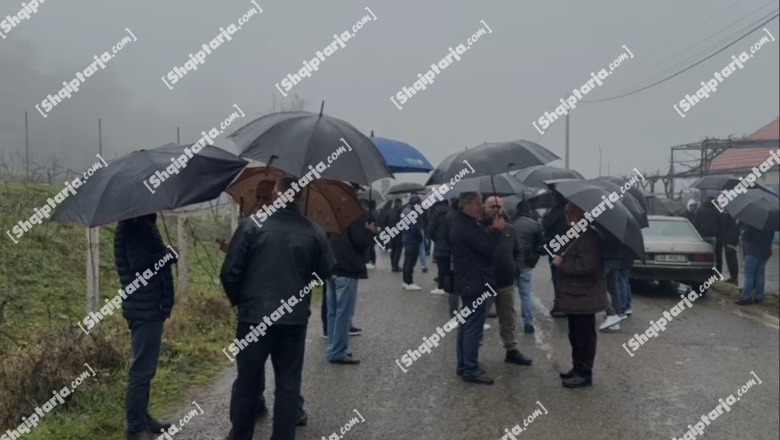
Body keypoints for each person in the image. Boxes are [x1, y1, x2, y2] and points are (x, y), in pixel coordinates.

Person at [221, 177, 334, 440]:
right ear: (300, 198)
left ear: (275, 194)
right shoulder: (315, 231)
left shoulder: (251, 226)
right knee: (288, 385)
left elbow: (230, 272)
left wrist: (242, 301)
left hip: (254, 319)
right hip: (293, 321)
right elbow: (326, 270)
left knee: (247, 384)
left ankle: (240, 436)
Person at [115, 213, 177, 440]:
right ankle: (135, 427)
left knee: (146, 368)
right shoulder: (134, 225)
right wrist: (167, 256)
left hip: (149, 305)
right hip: (144, 307)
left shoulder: (142, 223)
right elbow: (141, 264)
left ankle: (144, 418)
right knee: (141, 370)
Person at [451, 192, 504, 385]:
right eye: (477, 204)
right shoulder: (465, 225)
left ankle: (464, 364)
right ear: (465, 205)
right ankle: (470, 369)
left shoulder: (466, 223)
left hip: (469, 280)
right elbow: (486, 249)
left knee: (467, 325)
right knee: (473, 326)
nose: (480, 207)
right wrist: (497, 231)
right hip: (474, 281)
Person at [552, 202, 607, 388]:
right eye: (566, 212)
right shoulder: (575, 235)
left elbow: (587, 266)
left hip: (585, 296)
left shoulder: (590, 238)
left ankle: (585, 373)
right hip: (575, 296)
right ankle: (577, 367)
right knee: (574, 335)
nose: (568, 216)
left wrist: (562, 264)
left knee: (584, 337)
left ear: (583, 214)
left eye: (572, 212)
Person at [483, 196, 533, 366]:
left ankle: (511, 350)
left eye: (499, 206)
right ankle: (471, 354)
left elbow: (519, 251)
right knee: (477, 320)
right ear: (485, 208)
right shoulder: (481, 229)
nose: (496, 209)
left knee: (508, 319)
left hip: (506, 283)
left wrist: (516, 268)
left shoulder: (510, 229)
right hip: (485, 284)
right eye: (492, 206)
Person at [326, 212, 375, 364]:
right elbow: (360, 241)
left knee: (333, 312)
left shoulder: (331, 214)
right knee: (344, 313)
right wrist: (370, 230)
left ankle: (332, 347)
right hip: (347, 268)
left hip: (331, 267)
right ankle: (337, 351)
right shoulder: (354, 215)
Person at [510, 199, 545, 334]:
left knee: (509, 295)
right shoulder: (535, 225)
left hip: (511, 262)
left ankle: (510, 323)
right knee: (526, 294)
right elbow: (539, 246)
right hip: (526, 263)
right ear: (529, 211)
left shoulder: (509, 223)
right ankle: (528, 322)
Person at [541, 191, 568, 317]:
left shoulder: (557, 211)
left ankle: (560, 306)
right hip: (568, 246)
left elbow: (547, 225)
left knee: (557, 277)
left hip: (556, 247)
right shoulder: (570, 208)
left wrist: (546, 217)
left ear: (556, 197)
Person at [735, 224, 773, 305]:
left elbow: (745, 237)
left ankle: (746, 297)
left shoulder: (751, 224)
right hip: (765, 252)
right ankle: (759, 296)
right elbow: (771, 238)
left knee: (749, 274)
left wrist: (743, 229)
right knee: (760, 275)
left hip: (752, 252)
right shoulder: (769, 225)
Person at [693, 197, 723, 272]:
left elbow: (695, 223)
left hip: (701, 236)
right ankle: (714, 272)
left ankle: (702, 271)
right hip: (713, 236)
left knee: (702, 255)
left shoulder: (700, 210)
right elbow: (721, 224)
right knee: (713, 256)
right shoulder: (717, 210)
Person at [428, 200, 451, 295]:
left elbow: (431, 229)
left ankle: (441, 287)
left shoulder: (436, 213)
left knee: (441, 267)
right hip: (450, 244)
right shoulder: (451, 213)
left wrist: (435, 239)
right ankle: (450, 287)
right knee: (449, 267)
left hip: (439, 243)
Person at [401, 195, 424, 290]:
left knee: (407, 261)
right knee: (411, 262)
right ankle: (409, 282)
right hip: (413, 239)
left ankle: (405, 281)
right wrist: (420, 237)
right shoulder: (412, 213)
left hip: (406, 237)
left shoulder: (404, 211)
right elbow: (415, 228)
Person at [383, 198, 404, 272]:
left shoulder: (389, 211)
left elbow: (384, 222)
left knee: (393, 249)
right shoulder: (401, 211)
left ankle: (393, 265)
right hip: (399, 232)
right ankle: (395, 265)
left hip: (391, 232)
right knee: (398, 249)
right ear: (400, 203)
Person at [722, 212, 740, 285]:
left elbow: (724, 227)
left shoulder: (728, 215)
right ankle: (734, 277)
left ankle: (734, 278)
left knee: (731, 259)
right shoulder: (736, 216)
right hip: (734, 239)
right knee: (732, 258)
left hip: (729, 240)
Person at [364, 200, 378, 270]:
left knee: (369, 247)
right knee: (371, 247)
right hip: (372, 233)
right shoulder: (372, 212)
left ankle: (369, 260)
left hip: (369, 233)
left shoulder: (368, 213)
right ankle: (372, 260)